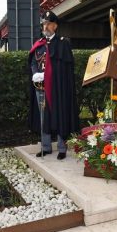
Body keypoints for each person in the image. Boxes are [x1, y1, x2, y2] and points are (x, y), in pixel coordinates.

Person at [27, 11, 79, 160]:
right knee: (43, 117)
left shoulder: (63, 43)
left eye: (49, 23)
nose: (46, 26)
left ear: (55, 26)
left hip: (57, 88)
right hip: (41, 87)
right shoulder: (39, 44)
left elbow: (65, 69)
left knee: (60, 114)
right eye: (44, 23)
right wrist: (35, 73)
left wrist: (50, 75)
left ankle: (62, 148)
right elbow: (33, 62)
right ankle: (46, 147)